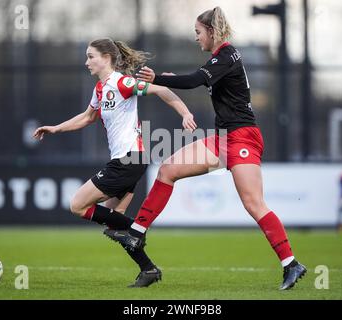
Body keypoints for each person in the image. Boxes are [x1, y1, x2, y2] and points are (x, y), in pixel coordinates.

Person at [104, 7, 307, 290]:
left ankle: (291, 264)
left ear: (212, 32)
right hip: (223, 138)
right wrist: (174, 78)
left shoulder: (226, 54)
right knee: (167, 169)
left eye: (198, 32)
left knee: (253, 204)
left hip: (243, 138)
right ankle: (136, 232)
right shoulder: (219, 58)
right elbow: (196, 78)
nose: (196, 38)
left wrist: (158, 78)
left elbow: (192, 81)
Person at [33, 38, 197, 287]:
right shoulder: (100, 88)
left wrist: (185, 113)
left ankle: (136, 230)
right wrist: (56, 129)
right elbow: (87, 117)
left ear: (106, 57)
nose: (86, 61)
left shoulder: (122, 82)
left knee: (77, 205)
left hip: (130, 159)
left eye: (91, 56)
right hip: (126, 160)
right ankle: (148, 269)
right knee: (113, 221)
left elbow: (161, 89)